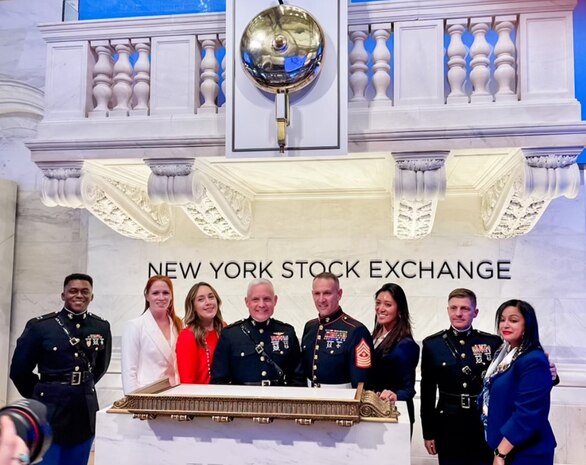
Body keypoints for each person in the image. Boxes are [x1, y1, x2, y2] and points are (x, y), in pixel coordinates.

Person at [10, 273, 112, 465]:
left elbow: (100, 367)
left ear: (92, 296)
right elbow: (18, 371)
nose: (79, 295)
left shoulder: (101, 327)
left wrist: (79, 384)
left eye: (85, 291)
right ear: (63, 295)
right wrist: (41, 393)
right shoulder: (40, 327)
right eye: (73, 291)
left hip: (83, 410)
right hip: (50, 409)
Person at [420, 288, 501, 465]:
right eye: (453, 308)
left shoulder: (492, 343)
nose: (458, 313)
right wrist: (429, 432)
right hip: (448, 425)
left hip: (481, 424)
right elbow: (427, 393)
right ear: (448, 310)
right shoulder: (433, 344)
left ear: (475, 312)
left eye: (464, 308)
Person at [479, 300, 556, 465]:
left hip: (525, 452)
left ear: (527, 326)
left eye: (513, 320)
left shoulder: (533, 359)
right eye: (502, 319)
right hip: (505, 446)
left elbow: (527, 413)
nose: (505, 324)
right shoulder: (504, 352)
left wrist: (501, 453)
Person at [211, 278, 304, 386]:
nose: (261, 304)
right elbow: (220, 380)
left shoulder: (288, 332)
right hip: (243, 401)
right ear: (247, 302)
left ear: (275, 300)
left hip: (279, 400)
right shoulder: (230, 335)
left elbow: (298, 379)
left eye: (267, 299)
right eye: (255, 299)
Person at [301, 272, 374, 388]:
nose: (321, 299)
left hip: (342, 400)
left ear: (339, 294)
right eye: (317, 293)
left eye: (327, 293)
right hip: (310, 399)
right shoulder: (310, 327)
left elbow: (362, 383)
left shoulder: (356, 330)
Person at [367, 283, 420, 432]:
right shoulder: (374, 336)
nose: (381, 308)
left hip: (394, 417)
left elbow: (408, 389)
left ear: (400, 310)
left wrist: (394, 395)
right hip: (373, 413)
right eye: (378, 303)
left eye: (388, 304)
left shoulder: (405, 344)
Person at [121, 275, 182, 394]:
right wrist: (133, 402)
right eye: (155, 293)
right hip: (148, 395)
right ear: (147, 296)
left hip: (176, 393)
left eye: (165, 293)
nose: (161, 297)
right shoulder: (135, 326)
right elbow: (129, 371)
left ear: (171, 296)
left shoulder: (178, 324)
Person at [176, 282, 226, 384]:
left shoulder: (224, 328)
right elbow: (187, 383)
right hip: (201, 398)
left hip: (225, 396)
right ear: (193, 307)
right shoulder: (187, 336)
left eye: (211, 297)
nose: (208, 302)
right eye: (201, 299)